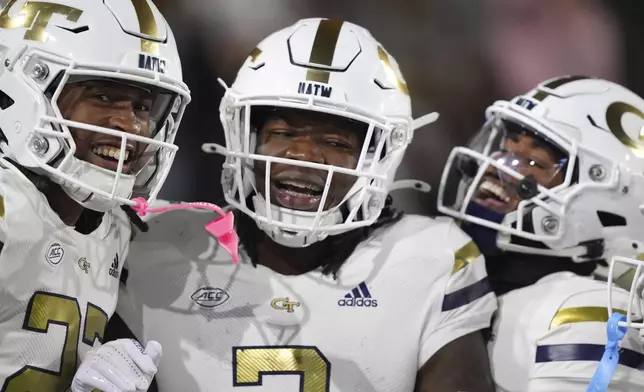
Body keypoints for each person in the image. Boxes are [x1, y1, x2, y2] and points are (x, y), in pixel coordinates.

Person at [110, 18, 497, 392]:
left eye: (336, 142)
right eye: (283, 133)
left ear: (378, 157)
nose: (303, 155)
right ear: (243, 136)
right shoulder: (150, 243)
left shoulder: (429, 258)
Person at [0, 0, 190, 390]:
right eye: (103, 96)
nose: (130, 126)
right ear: (23, 86)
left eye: (142, 105)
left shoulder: (116, 226)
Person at [437, 75, 644, 391]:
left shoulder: (580, 314)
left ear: (609, 200)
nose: (496, 166)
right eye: (505, 148)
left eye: (532, 162)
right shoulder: (440, 266)